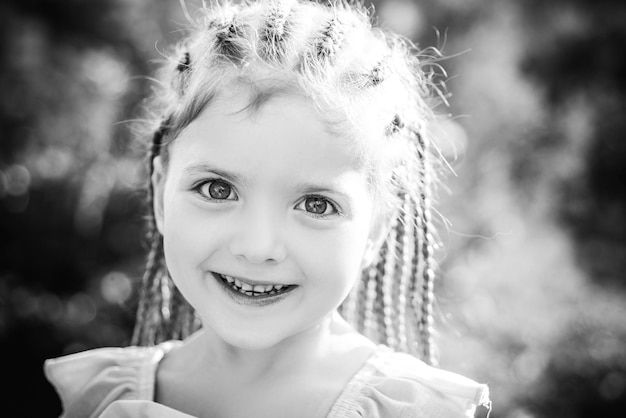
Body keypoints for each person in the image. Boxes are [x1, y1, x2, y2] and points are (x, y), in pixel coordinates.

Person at [44, 0, 491, 416]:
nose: (257, 248)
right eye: (217, 190)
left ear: (375, 228)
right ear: (161, 193)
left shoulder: (409, 410)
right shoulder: (105, 398)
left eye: (316, 204)